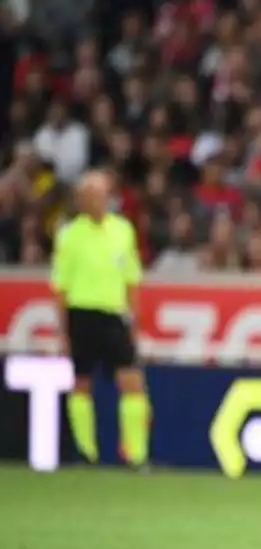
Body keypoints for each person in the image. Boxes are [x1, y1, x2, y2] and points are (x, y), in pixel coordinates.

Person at [51, 170, 150, 468]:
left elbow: (132, 278)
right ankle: (86, 452)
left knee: (131, 381)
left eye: (102, 194)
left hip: (113, 315)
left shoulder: (123, 230)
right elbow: (60, 287)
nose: (98, 200)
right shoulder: (69, 235)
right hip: (81, 313)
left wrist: (133, 318)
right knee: (82, 383)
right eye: (91, 195)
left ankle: (136, 455)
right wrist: (64, 330)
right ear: (81, 200)